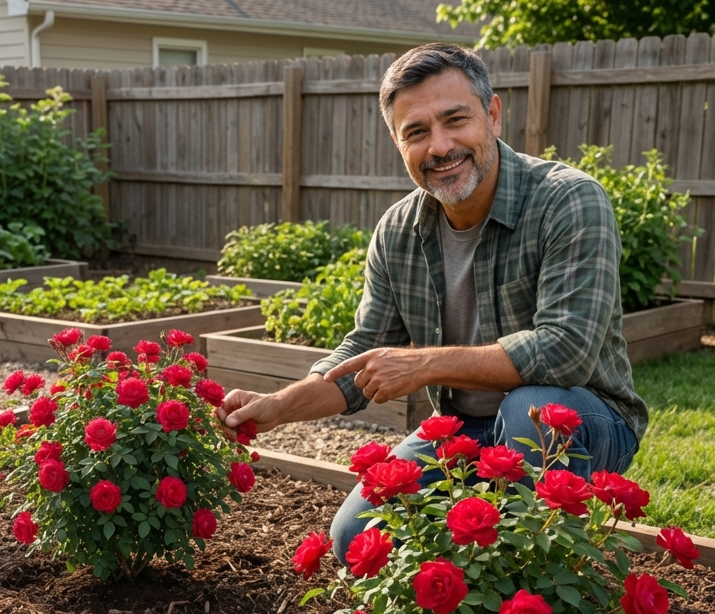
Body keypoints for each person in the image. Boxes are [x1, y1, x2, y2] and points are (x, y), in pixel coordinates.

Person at [218, 42, 647, 563]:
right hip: (466, 428)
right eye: (416, 132)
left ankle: (534, 571)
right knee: (356, 539)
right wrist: (278, 406)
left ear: (492, 114)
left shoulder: (568, 200)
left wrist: (423, 364)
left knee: (528, 410)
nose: (440, 146)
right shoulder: (398, 230)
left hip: (585, 418)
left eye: (455, 120)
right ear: (398, 143)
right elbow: (364, 353)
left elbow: (565, 352)